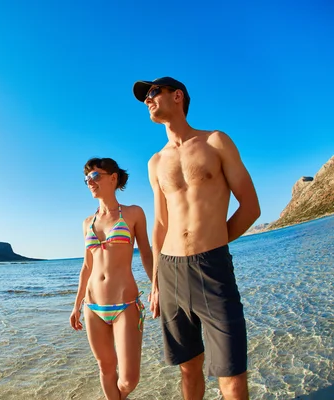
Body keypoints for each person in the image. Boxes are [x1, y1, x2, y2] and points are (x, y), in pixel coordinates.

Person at [132, 77, 261, 400]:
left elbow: (251, 207)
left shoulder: (216, 142)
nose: (147, 100)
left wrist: (214, 242)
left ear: (177, 96)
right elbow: (160, 224)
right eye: (145, 96)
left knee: (231, 375)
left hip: (212, 268)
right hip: (171, 272)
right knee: (188, 369)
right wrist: (157, 282)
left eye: (152, 92)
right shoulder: (155, 162)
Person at [70, 157, 153, 400]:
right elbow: (87, 266)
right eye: (86, 179)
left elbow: (146, 253)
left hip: (125, 304)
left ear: (113, 178)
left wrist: (157, 286)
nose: (90, 182)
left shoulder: (134, 213)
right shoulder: (88, 222)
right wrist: (76, 306)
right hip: (92, 306)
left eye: (95, 176)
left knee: (129, 379)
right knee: (105, 369)